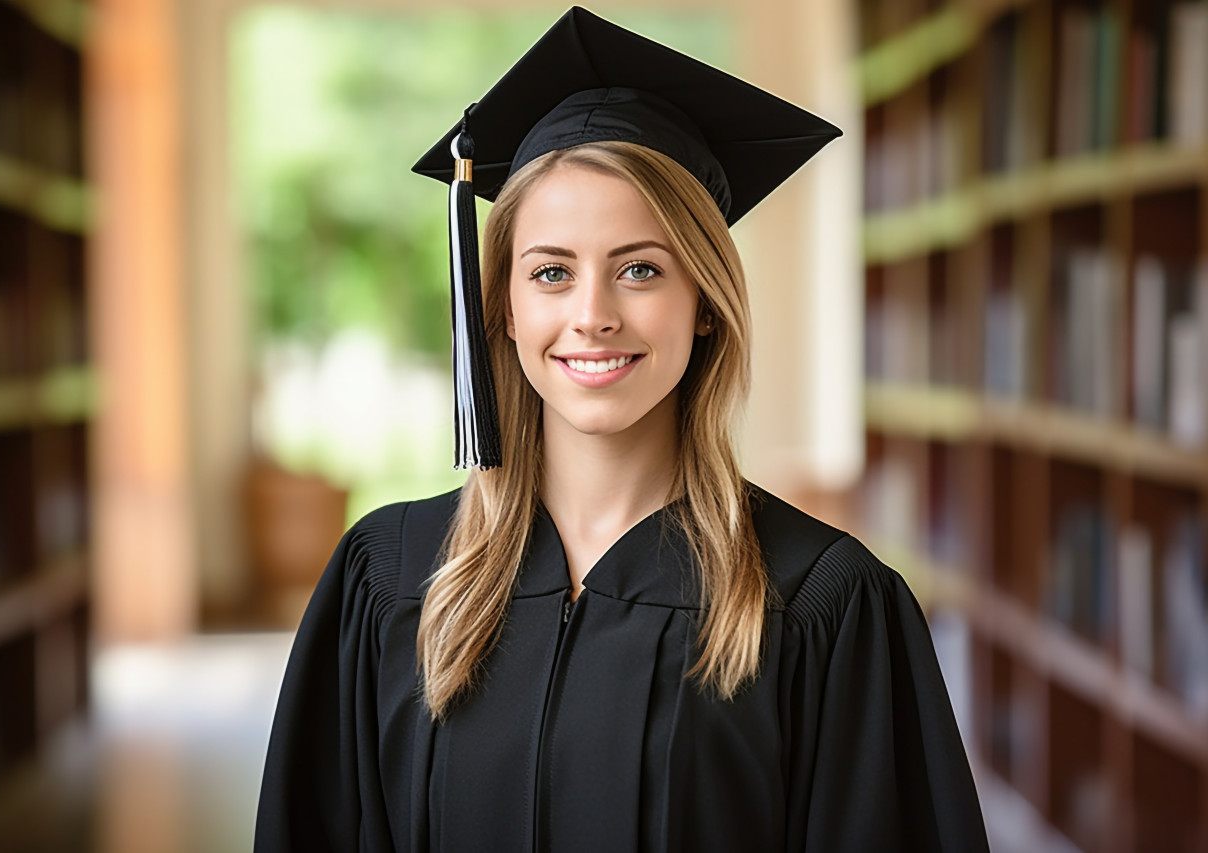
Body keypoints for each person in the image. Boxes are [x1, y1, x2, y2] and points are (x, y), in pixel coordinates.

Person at [254, 7, 989, 852]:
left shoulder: (820, 605)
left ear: (705, 303)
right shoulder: (389, 581)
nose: (592, 314)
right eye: (552, 272)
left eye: (640, 268)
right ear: (503, 306)